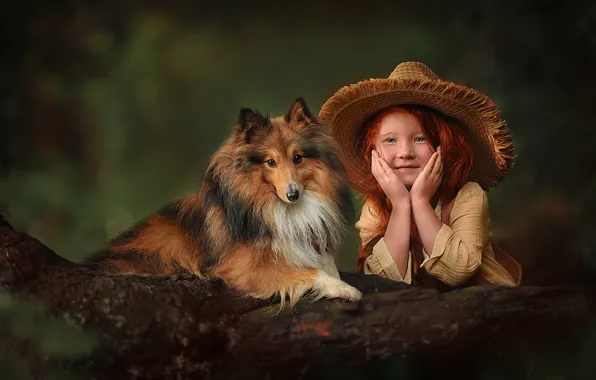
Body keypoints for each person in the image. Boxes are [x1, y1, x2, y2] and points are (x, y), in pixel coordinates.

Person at [319, 61, 522, 290]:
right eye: (390, 140)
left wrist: (420, 201)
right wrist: (400, 205)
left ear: (444, 146)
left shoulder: (468, 196)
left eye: (419, 139)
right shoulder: (376, 206)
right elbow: (381, 282)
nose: (405, 153)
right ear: (372, 153)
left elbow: (459, 271)